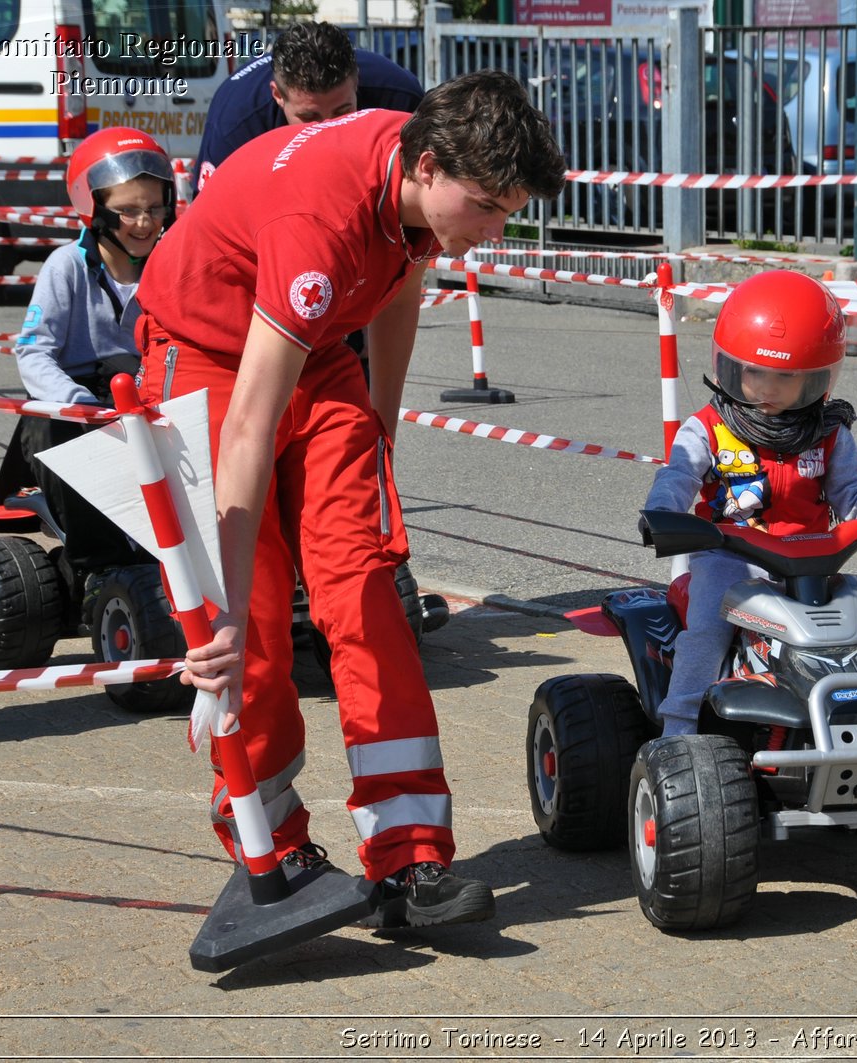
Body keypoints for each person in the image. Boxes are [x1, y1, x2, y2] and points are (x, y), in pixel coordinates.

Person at [133, 69, 567, 929]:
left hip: (318, 354)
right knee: (246, 623)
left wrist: (380, 436)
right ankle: (270, 837)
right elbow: (251, 422)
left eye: (507, 212)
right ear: (429, 165)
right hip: (210, 361)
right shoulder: (318, 228)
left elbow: (401, 283)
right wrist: (216, 598)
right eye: (486, 207)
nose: (492, 231)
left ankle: (412, 859)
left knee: (365, 592)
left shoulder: (411, 178)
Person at [640, 270, 857, 737]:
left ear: (817, 378)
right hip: (731, 556)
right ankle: (678, 730)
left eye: (785, 377)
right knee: (705, 631)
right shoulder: (708, 427)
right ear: (731, 366)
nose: (767, 388)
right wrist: (664, 511)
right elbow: (678, 474)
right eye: (756, 372)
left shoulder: (829, 433)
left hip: (812, 560)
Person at [0, 127, 174, 571]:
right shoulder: (66, 267)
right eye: (127, 211)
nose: (145, 223)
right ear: (93, 209)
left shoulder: (171, 265)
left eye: (153, 208)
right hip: (80, 405)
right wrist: (77, 404)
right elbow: (34, 352)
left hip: (145, 396)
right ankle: (97, 569)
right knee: (61, 439)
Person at [194, 20, 422, 195]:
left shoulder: (398, 99)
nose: (328, 132)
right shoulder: (235, 125)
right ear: (278, 96)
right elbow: (207, 226)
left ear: (356, 83)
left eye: (342, 112)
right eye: (310, 117)